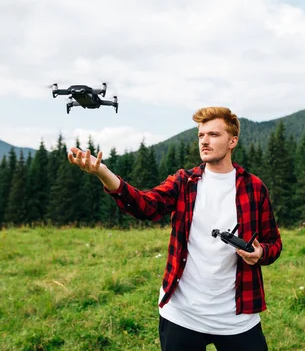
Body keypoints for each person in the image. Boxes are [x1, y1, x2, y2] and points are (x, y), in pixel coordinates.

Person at [68, 106, 282, 351]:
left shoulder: (254, 188)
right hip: (182, 314)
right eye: (201, 135)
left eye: (213, 135)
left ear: (232, 141)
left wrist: (261, 253)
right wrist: (104, 174)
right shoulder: (184, 182)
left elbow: (273, 243)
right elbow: (145, 206)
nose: (204, 141)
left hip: (236, 316)